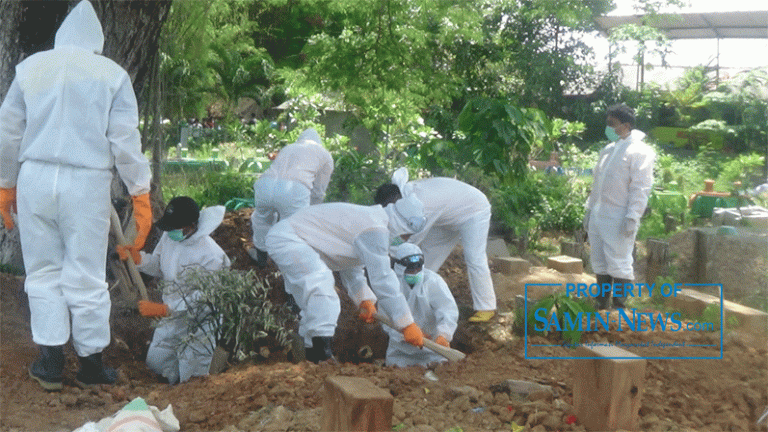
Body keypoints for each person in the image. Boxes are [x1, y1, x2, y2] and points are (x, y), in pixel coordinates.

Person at [0, 0, 152, 390]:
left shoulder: (31, 68)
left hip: (34, 179)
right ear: (97, 42)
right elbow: (125, 141)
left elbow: (8, 131)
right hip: (86, 184)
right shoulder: (112, 75)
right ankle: (90, 366)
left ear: (61, 36)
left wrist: (6, 183)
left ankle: (50, 362)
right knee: (85, 276)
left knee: (44, 272)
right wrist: (140, 193)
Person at [265, 194, 428, 363]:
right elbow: (383, 279)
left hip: (289, 238)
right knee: (322, 288)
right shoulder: (375, 229)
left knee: (312, 302)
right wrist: (406, 323)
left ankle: (311, 356)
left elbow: (351, 267)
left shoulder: (373, 222)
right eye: (406, 235)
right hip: (289, 239)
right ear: (400, 224)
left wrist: (364, 300)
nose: (404, 240)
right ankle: (323, 356)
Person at [374, 169, 496, 323]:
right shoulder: (406, 196)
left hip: (474, 210)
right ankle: (415, 302)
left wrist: (386, 254)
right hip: (447, 217)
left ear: (396, 200)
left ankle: (486, 307)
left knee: (474, 257)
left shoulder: (421, 205)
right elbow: (403, 237)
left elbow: (409, 240)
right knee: (426, 261)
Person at [135, 196, 231, 384]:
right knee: (156, 363)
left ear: (192, 225)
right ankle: (167, 391)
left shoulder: (212, 255)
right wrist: (138, 259)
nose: (171, 232)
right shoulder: (169, 235)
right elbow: (159, 266)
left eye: (176, 228)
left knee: (192, 376)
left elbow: (204, 296)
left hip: (200, 322)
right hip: (171, 317)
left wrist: (165, 309)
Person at [584, 103, 655, 309]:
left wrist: (633, 216)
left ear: (625, 125)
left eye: (612, 124)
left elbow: (640, 187)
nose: (608, 128)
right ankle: (602, 301)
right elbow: (597, 184)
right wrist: (589, 210)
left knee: (619, 260)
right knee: (599, 259)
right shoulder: (608, 150)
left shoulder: (640, 151)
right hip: (599, 214)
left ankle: (620, 304)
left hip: (618, 216)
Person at [250, 128, 333, 267]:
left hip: (264, 185)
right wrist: (313, 213)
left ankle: (261, 258)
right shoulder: (325, 155)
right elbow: (318, 191)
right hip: (294, 191)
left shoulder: (289, 147)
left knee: (261, 220)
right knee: (293, 230)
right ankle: (288, 269)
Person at [384, 243, 458, 368]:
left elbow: (448, 310)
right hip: (400, 353)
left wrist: (443, 334)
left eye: (417, 268)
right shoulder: (390, 285)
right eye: (410, 269)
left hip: (433, 351)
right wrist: (405, 332)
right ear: (399, 266)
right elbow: (385, 319)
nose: (414, 272)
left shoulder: (432, 281)